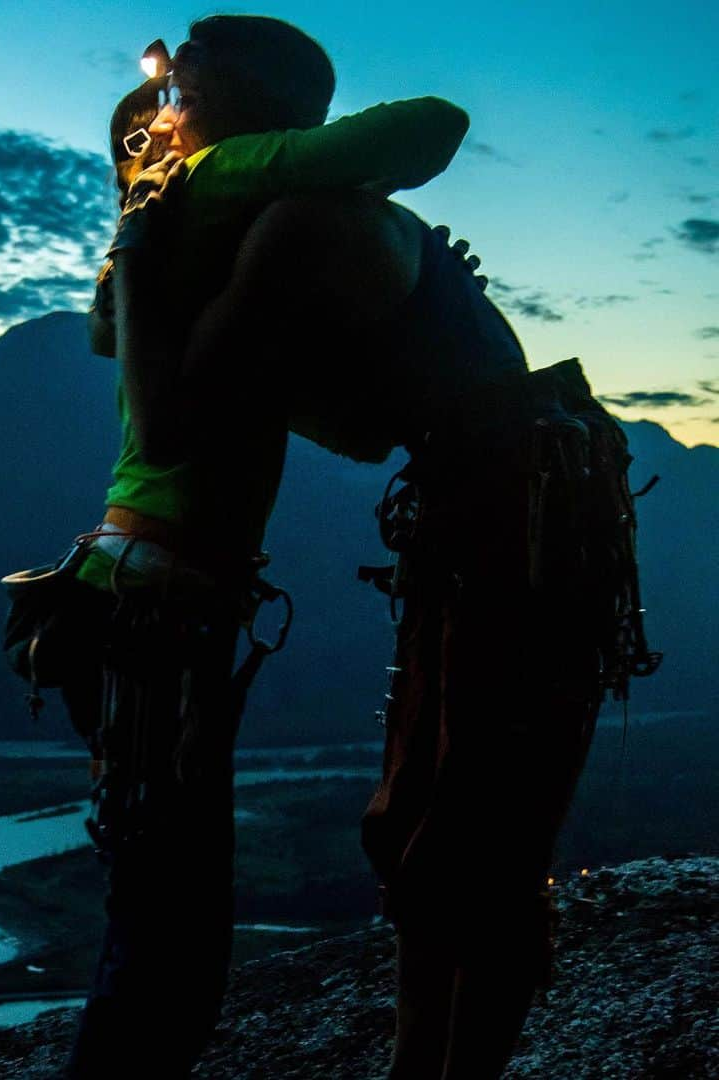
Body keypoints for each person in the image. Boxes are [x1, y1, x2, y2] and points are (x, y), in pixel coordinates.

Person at [98, 14, 656, 1079]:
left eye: (182, 75)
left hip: (517, 519)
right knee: (427, 830)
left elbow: (167, 418)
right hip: (495, 509)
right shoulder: (320, 228)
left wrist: (137, 238)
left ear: (229, 100)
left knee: (472, 838)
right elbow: (359, 426)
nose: (164, 99)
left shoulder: (298, 228)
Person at [57, 42, 471, 1080]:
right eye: (163, 99)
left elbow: (322, 417)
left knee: (157, 906)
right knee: (169, 933)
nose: (160, 115)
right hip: (161, 599)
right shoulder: (218, 173)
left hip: (124, 589)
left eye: (177, 95)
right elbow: (435, 122)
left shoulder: (178, 246)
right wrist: (328, 168)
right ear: (269, 131)